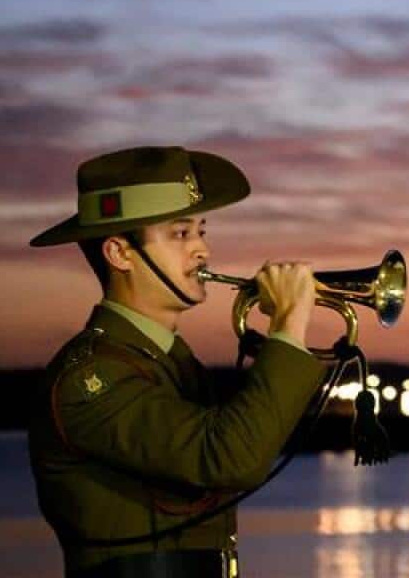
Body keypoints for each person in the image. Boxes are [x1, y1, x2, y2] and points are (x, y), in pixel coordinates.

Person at [27, 145, 326, 577]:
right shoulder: (89, 378)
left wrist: (281, 341)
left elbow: (239, 440)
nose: (202, 250)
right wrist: (289, 325)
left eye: (201, 230)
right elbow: (228, 457)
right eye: (181, 234)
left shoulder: (166, 363)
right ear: (119, 253)